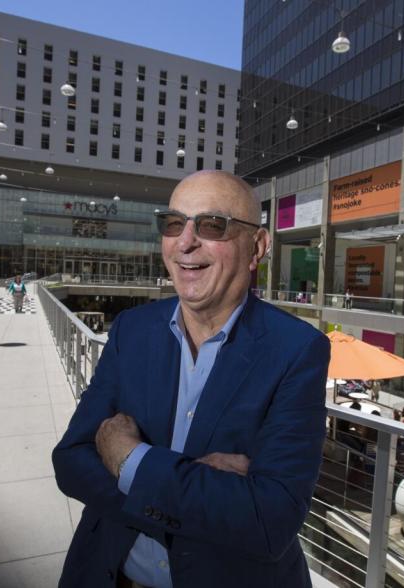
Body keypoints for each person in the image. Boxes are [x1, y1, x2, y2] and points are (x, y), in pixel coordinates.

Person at [52, 170, 330, 588]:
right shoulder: (132, 330)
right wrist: (199, 490)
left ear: (258, 246)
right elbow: (71, 461)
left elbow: (270, 520)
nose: (185, 242)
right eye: (174, 223)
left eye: (212, 225)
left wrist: (129, 460)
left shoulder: (297, 350)